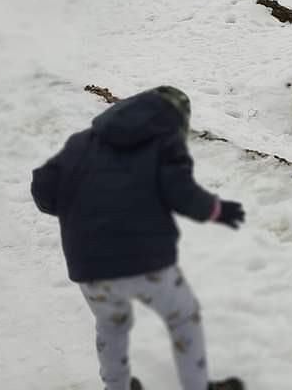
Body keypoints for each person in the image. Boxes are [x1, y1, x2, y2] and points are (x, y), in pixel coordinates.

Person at [31, 86, 246, 390]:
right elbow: (182, 194)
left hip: (90, 266)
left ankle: (116, 387)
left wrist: (74, 209)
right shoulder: (164, 143)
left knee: (111, 325)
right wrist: (217, 210)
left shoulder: (81, 144)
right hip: (147, 263)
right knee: (183, 316)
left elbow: (43, 188)